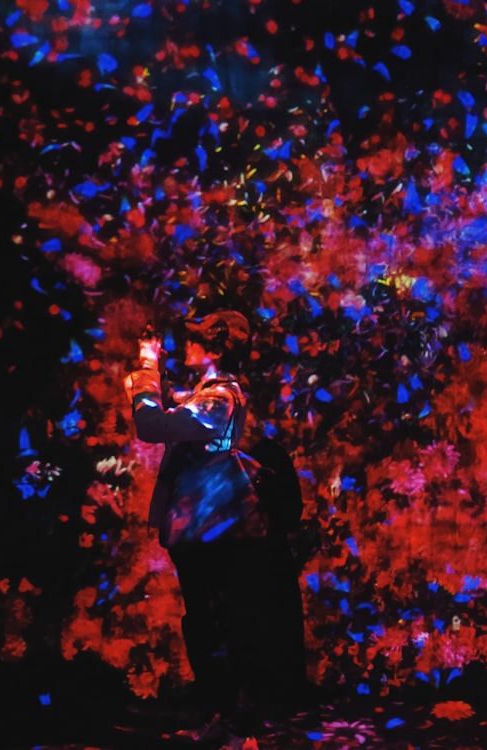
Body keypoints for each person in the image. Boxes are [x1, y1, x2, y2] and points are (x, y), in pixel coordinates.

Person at [124, 309, 309, 732]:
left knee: (218, 621)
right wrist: (153, 372)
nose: (185, 345)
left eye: (195, 339)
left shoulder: (220, 397)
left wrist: (149, 371)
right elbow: (167, 411)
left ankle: (230, 715)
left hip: (215, 525)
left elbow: (152, 424)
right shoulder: (206, 394)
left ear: (217, 347)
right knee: (208, 619)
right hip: (203, 524)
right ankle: (219, 709)